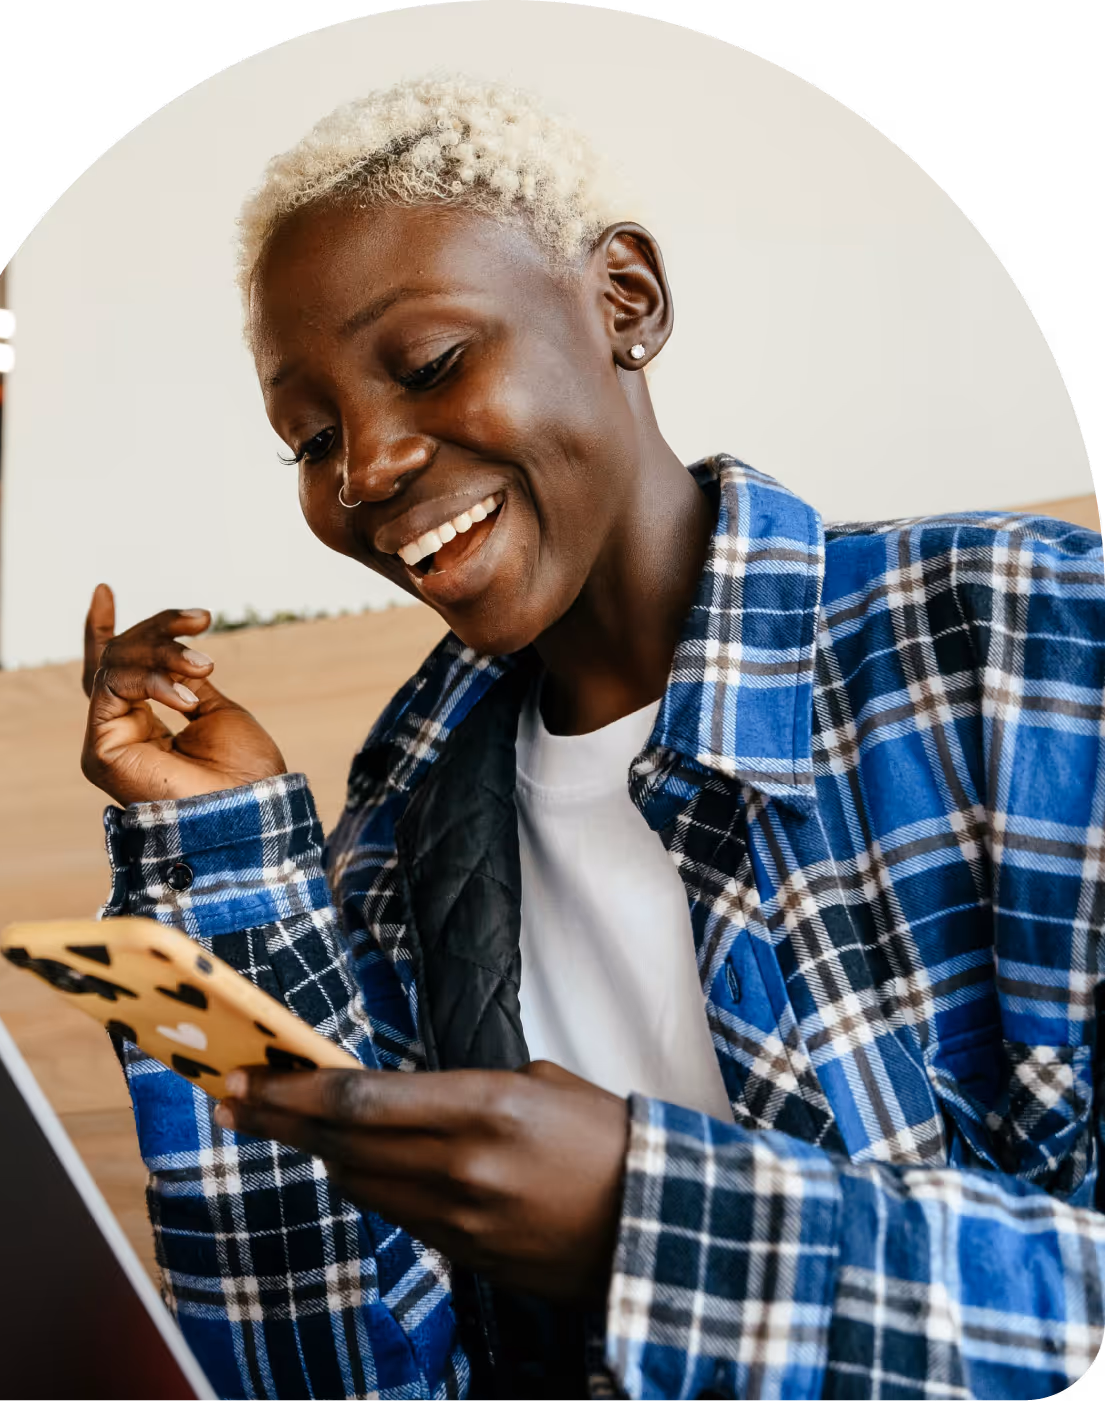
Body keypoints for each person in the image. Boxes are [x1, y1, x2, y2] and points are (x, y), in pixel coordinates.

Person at [79, 75, 1105, 1401]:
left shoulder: (1023, 645)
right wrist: (224, 858)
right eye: (311, 437)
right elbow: (332, 1373)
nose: (364, 471)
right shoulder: (402, 828)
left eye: (433, 363)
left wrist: (654, 1220)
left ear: (626, 300)